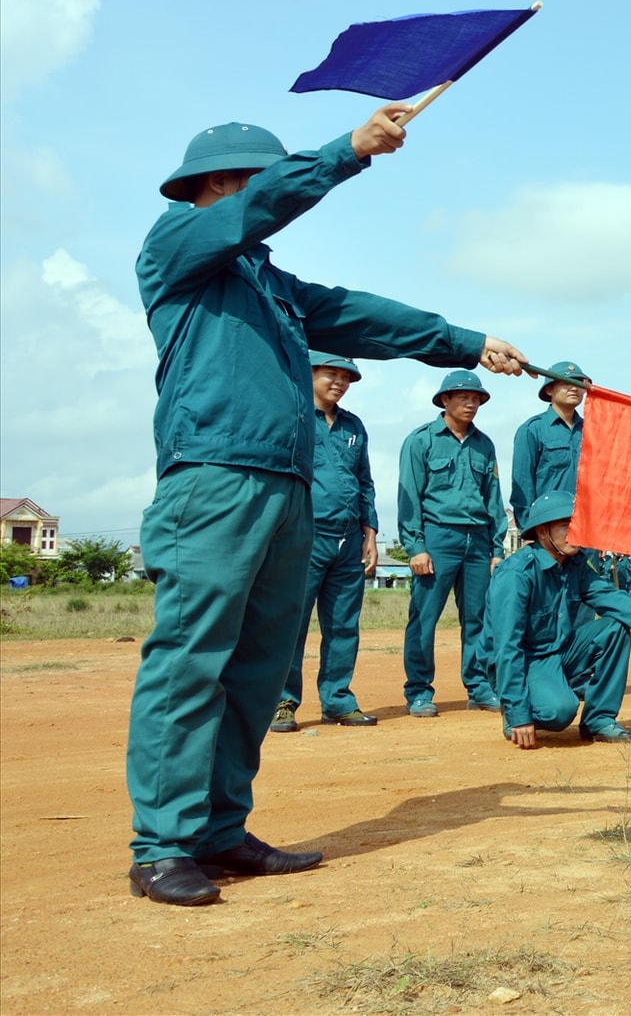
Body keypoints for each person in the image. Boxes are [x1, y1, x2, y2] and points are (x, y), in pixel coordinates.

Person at [127, 110, 526, 908]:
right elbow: (261, 208)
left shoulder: (269, 284)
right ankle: (163, 844)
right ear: (218, 183)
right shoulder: (178, 243)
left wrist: (462, 340)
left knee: (258, 663)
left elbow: (356, 313)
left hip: (289, 484)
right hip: (213, 476)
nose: (266, 192)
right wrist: (347, 152)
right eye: (256, 177)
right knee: (192, 658)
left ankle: (218, 830)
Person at [489, 491, 631, 746]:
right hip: (524, 660)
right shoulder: (517, 574)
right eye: (566, 526)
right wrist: (519, 714)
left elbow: (611, 598)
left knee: (614, 627)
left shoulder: (573, 564)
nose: (574, 533)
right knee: (559, 712)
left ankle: (599, 719)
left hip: (558, 650)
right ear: (542, 532)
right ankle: (514, 710)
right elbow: (506, 648)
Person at [271, 354, 380, 734]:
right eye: (330, 374)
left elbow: (365, 481)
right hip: (304, 536)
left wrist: (370, 533)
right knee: (291, 624)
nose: (339, 382)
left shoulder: (353, 425)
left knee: (343, 625)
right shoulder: (293, 418)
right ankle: (282, 702)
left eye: (345, 376)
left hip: (349, 539)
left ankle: (338, 700)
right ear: (310, 374)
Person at [398, 371, 510, 717]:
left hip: (477, 541)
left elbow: (494, 498)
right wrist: (416, 546)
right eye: (463, 397)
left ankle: (478, 687)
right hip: (438, 537)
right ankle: (419, 691)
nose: (471, 403)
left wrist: (496, 549)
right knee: (424, 618)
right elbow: (408, 498)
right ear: (444, 400)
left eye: (476, 398)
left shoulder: (484, 444)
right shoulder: (421, 440)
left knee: (477, 618)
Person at [509, 360, 590, 525]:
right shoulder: (532, 430)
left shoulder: (591, 431)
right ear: (549, 389)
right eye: (567, 383)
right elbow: (522, 486)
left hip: (586, 527)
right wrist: (528, 529)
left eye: (579, 384)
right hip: (549, 526)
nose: (574, 388)